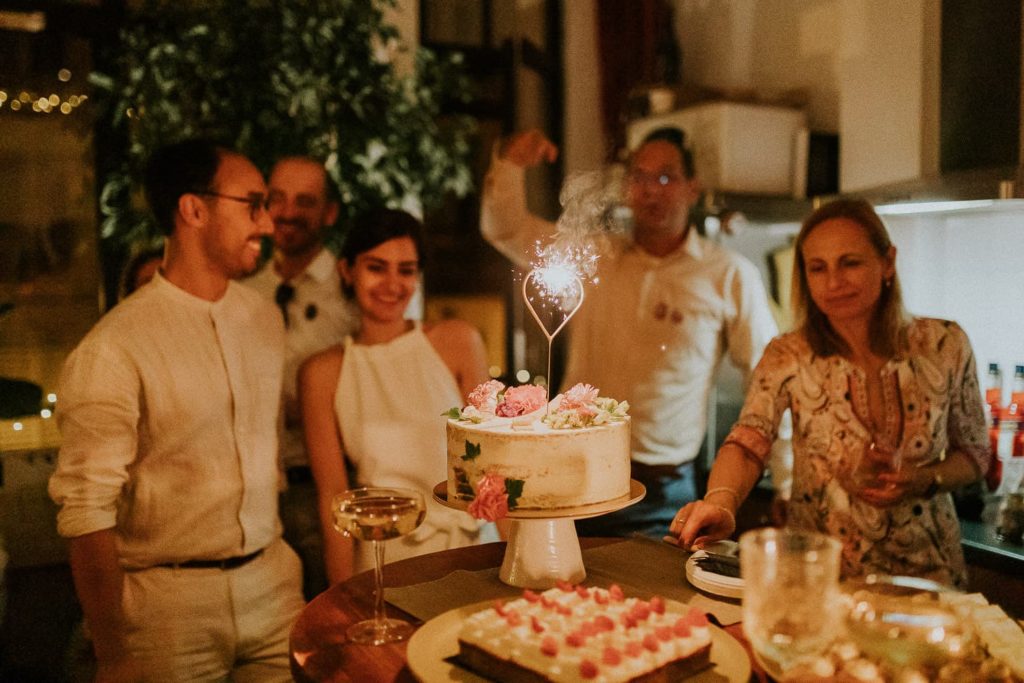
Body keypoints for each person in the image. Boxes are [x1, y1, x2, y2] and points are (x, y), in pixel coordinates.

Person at [48, 139, 303, 681]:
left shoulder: (264, 320)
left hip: (273, 585)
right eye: (252, 204)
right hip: (167, 607)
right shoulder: (113, 348)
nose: (267, 223)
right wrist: (114, 654)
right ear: (193, 209)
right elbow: (86, 512)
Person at [669, 198, 990, 589]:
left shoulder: (945, 344)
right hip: (822, 578)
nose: (834, 282)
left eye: (850, 262)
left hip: (929, 575)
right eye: (817, 268)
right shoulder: (789, 353)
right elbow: (748, 440)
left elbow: (974, 455)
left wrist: (926, 479)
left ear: (887, 262)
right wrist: (721, 502)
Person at [481, 128, 780, 537]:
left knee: (652, 599)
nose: (650, 191)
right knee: (558, 598)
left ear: (693, 187)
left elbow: (769, 380)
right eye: (639, 177)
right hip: (572, 469)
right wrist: (511, 164)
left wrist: (787, 479)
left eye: (665, 177)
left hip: (662, 491)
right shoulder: (597, 255)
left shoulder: (728, 274)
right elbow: (506, 229)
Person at [299, 208, 492, 583]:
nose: (392, 284)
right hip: (384, 559)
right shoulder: (322, 373)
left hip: (470, 549)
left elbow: (494, 468)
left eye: (406, 270)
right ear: (346, 270)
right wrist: (342, 600)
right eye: (376, 267)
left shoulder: (458, 343)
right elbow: (333, 499)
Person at [242, 155, 355, 600]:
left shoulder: (352, 293)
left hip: (324, 484)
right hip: (256, 492)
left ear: (328, 213)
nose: (288, 212)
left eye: (304, 202)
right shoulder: (245, 293)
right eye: (278, 199)